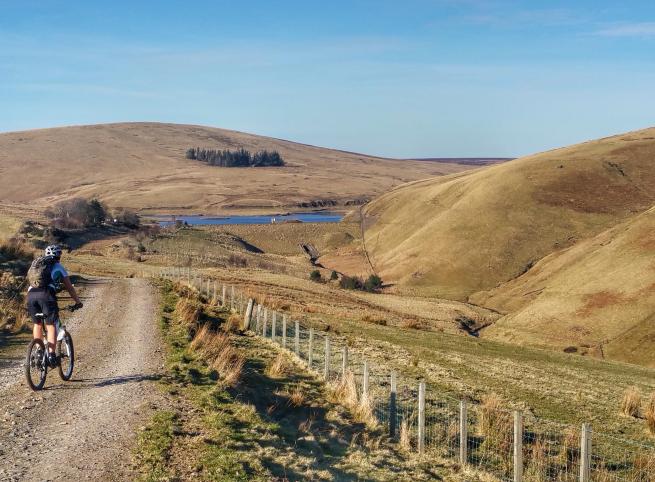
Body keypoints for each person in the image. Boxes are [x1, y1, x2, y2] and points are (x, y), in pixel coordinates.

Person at [26, 245, 83, 366]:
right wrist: (78, 302)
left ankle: (39, 350)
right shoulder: (58, 267)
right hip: (46, 296)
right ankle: (51, 355)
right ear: (58, 256)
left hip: (31, 296)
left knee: (37, 324)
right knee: (50, 325)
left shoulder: (36, 266)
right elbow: (70, 289)